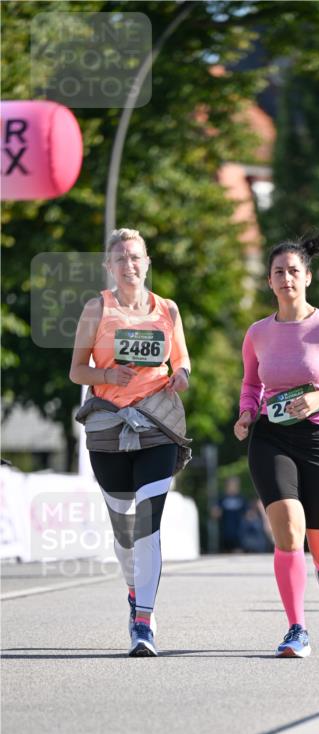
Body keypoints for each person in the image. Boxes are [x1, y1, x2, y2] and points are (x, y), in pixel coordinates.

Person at [234, 207, 319, 658]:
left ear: (307, 277)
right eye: (278, 272)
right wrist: (246, 414)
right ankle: (296, 628)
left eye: (294, 270)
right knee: (289, 530)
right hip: (272, 437)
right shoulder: (257, 333)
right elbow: (252, 384)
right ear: (269, 281)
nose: (286, 278)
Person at [70, 227, 191, 656]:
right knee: (123, 529)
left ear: (147, 263)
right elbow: (76, 371)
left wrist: (181, 376)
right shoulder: (95, 309)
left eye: (136, 257)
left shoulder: (167, 310)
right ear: (109, 266)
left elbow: (182, 362)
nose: (129, 265)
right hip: (108, 426)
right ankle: (132, 589)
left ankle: (143, 621)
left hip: (156, 424)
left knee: (147, 525)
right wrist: (106, 375)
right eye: (120, 258)